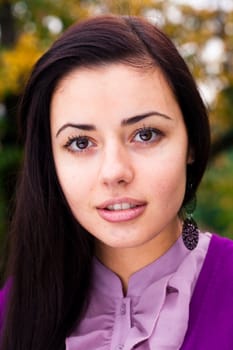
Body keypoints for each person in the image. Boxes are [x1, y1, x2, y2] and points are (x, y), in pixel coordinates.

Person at [0, 14, 233, 350]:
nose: (114, 172)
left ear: (191, 142)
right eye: (81, 143)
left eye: (146, 134)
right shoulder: (13, 314)